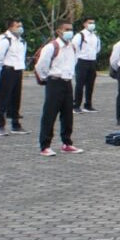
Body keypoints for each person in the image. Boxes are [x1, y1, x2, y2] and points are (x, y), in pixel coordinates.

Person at [35, 21, 82, 156]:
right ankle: (45, 145)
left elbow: (73, 62)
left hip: (67, 82)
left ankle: (67, 143)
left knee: (67, 115)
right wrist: (47, 79)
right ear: (59, 31)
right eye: (66, 29)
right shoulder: (52, 47)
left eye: (71, 29)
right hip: (54, 81)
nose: (69, 32)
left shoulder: (72, 47)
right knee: (50, 114)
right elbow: (41, 66)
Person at [0, 18, 29, 137]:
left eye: (21, 25)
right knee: (2, 99)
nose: (20, 28)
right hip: (7, 71)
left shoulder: (22, 41)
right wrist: (0, 73)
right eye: (17, 26)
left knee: (16, 98)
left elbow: (21, 57)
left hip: (18, 71)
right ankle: (0, 125)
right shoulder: (5, 40)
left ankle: (16, 124)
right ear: (10, 27)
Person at [71, 16, 102, 114]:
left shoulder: (95, 36)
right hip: (81, 61)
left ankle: (88, 105)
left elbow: (97, 48)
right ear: (84, 24)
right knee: (80, 85)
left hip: (92, 61)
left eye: (93, 22)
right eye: (89, 22)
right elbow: (74, 48)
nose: (92, 24)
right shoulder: (80, 35)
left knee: (90, 84)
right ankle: (76, 105)